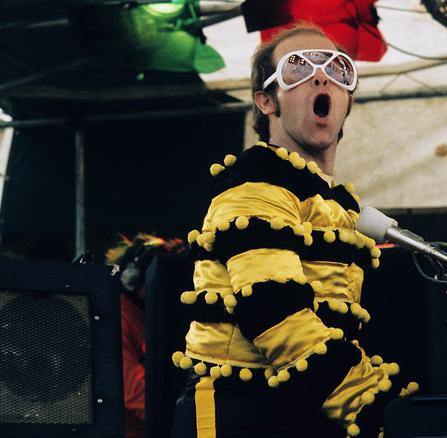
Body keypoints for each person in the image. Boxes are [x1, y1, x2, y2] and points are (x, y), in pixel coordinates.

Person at [170, 25, 417, 438]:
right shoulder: (254, 183)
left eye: (339, 70)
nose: (321, 77)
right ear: (267, 101)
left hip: (305, 409)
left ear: (346, 101)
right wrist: (375, 404)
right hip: (241, 415)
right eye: (297, 68)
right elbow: (273, 310)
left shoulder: (335, 202)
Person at [105, 233, 186, 438]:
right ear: (132, 276)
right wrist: (179, 424)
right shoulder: (118, 318)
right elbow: (133, 392)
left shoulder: (160, 316)